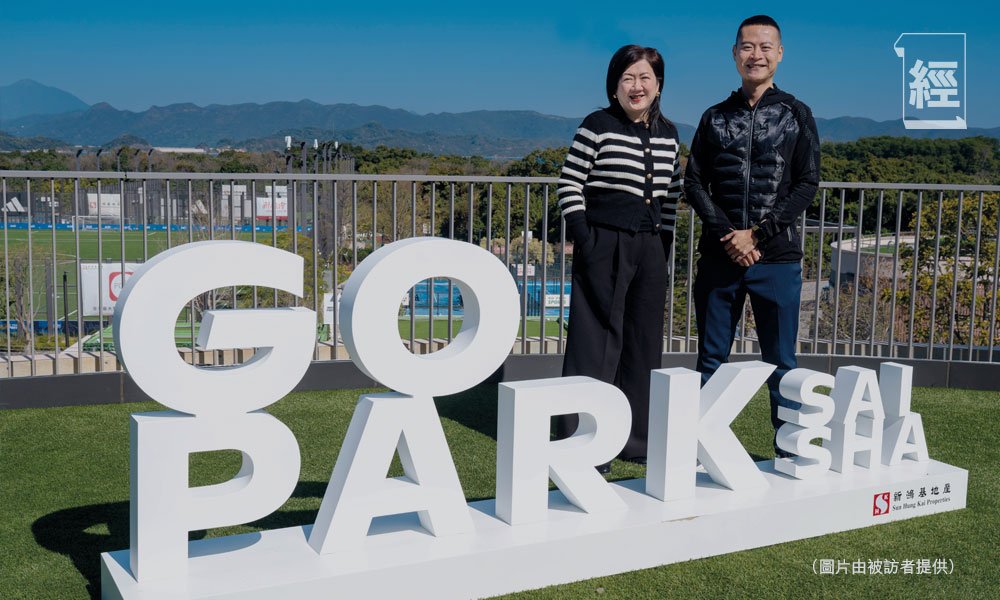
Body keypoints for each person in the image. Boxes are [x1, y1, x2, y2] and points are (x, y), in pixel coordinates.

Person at [683, 15, 820, 457]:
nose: (755, 55)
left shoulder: (797, 113)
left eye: (765, 47)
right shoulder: (714, 116)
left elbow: (806, 183)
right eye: (747, 46)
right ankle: (698, 453)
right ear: (734, 53)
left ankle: (790, 452)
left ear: (779, 54)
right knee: (710, 360)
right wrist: (729, 234)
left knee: (782, 363)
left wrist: (758, 234)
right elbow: (694, 182)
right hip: (721, 255)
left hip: (776, 258)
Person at [556, 45, 683, 472]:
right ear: (614, 85)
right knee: (595, 342)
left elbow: (672, 196)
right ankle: (585, 439)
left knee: (643, 343)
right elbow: (569, 185)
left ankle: (635, 438)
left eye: (645, 77)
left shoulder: (670, 133)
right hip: (603, 241)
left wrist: (662, 245)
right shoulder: (597, 125)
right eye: (628, 78)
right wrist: (585, 239)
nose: (637, 86)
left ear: (659, 84)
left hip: (650, 246)